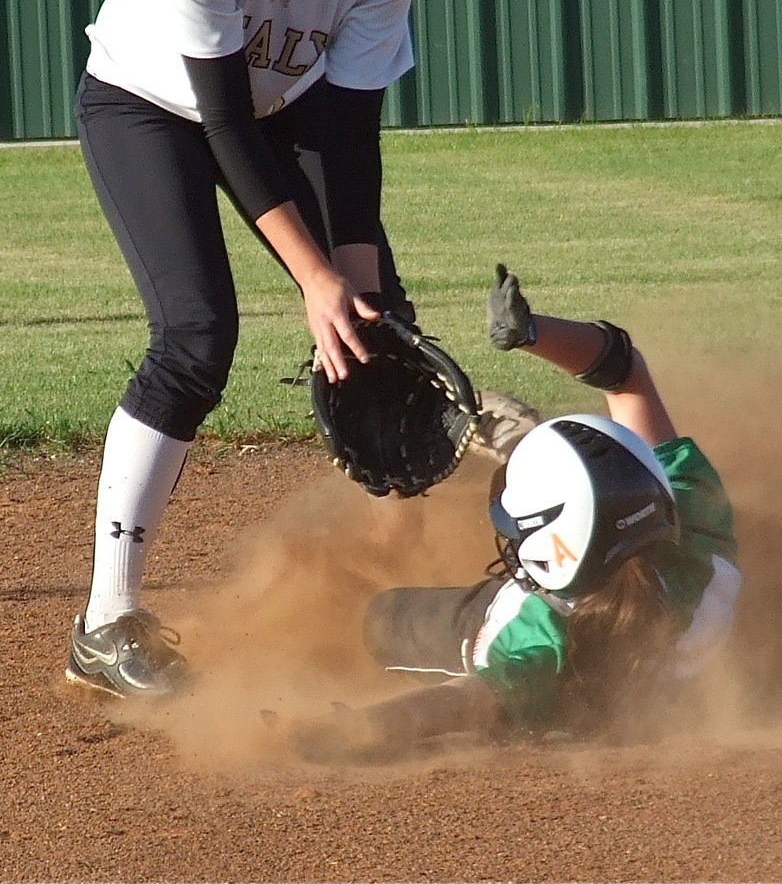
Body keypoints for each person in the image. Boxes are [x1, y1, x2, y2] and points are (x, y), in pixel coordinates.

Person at [66, 0, 419, 700]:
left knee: (383, 330)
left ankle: (405, 586)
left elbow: (347, 132)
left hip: (291, 113)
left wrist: (355, 282)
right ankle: (105, 624)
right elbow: (221, 120)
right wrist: (312, 281)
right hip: (149, 107)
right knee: (195, 336)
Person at [288, 265, 740, 760]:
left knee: (379, 620)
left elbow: (457, 703)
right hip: (607, 587)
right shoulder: (698, 524)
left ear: (554, 556)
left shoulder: (539, 636)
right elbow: (624, 371)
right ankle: (525, 446)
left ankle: (520, 443)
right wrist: (530, 332)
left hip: (485, 626)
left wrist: (355, 729)